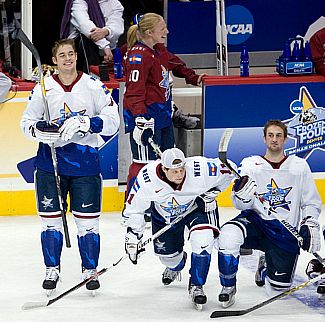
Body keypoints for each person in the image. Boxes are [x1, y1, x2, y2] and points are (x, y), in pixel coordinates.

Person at [20, 39, 120, 295]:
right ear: (54, 61)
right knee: (51, 223)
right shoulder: (44, 87)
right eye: (62, 55)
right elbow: (27, 123)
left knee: (88, 224)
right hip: (49, 165)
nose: (67, 58)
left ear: (76, 57)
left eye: (71, 54)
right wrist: (41, 131)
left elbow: (113, 120)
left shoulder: (92, 85)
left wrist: (88, 123)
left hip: (85, 165)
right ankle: (51, 269)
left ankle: (90, 270)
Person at [217, 120, 322, 307]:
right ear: (265, 139)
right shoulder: (251, 164)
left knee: (278, 289)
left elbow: (311, 202)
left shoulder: (299, 166)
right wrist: (242, 194)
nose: (274, 139)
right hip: (256, 222)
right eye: (271, 135)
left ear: (285, 139)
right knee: (228, 235)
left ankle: (265, 266)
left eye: (279, 135)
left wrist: (309, 222)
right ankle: (228, 287)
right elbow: (241, 204)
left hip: (284, 231)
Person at [122, 13, 207, 225]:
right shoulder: (138, 56)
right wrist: (140, 119)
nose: (167, 32)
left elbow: (175, 64)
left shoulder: (158, 50)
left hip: (163, 117)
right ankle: (132, 208)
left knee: (165, 162)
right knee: (143, 163)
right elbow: (134, 91)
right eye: (163, 29)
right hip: (146, 119)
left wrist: (192, 77)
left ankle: (160, 203)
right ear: (150, 32)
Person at [124, 147, 235, 308]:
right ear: (163, 168)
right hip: (165, 215)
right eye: (174, 172)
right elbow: (135, 209)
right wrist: (133, 235)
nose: (180, 175)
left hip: (197, 208)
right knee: (170, 259)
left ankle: (197, 286)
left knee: (203, 241)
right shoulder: (147, 178)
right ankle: (178, 263)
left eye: (182, 170)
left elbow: (229, 168)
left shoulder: (199, 168)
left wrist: (215, 190)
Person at [60, 0, 124, 72]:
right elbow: (84, 24)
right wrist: (105, 46)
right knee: (85, 38)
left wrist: (106, 31)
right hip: (82, 50)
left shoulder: (114, 3)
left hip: (109, 49)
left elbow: (117, 25)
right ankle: (88, 75)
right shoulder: (79, 1)